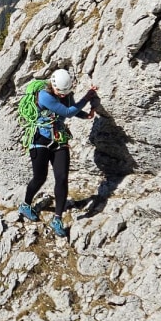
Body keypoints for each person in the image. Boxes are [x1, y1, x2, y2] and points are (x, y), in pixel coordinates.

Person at [18, 69, 98, 237]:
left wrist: (85, 115)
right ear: (53, 86)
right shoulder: (44, 95)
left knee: (61, 178)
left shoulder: (66, 94)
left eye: (65, 93)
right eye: (60, 92)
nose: (62, 96)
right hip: (39, 139)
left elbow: (70, 108)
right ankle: (25, 204)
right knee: (39, 178)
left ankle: (57, 218)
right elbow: (67, 112)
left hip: (59, 138)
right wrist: (87, 97)